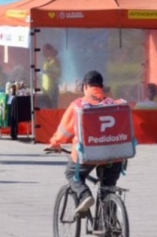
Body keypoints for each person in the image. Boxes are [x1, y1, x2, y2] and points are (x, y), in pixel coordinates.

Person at [44, 71, 125, 216]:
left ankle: (84, 196)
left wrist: (55, 143)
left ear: (85, 86)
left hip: (87, 155)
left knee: (71, 173)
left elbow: (64, 131)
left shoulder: (79, 105)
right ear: (102, 86)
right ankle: (111, 229)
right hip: (115, 155)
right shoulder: (115, 105)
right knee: (108, 188)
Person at [41, 43, 61, 109]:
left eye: (44, 50)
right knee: (47, 107)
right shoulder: (47, 61)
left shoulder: (54, 61)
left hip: (52, 89)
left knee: (52, 108)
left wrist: (46, 72)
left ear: (49, 51)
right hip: (46, 89)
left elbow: (57, 74)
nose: (43, 52)